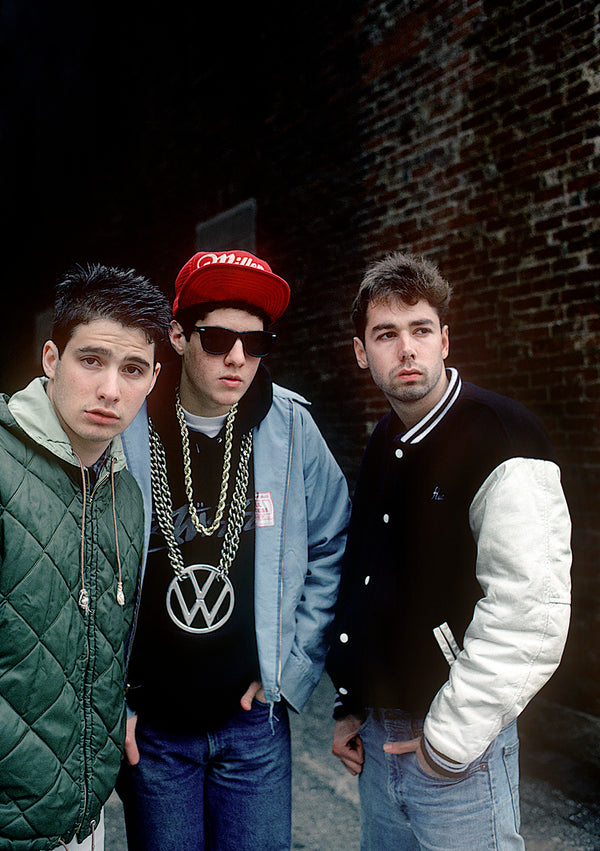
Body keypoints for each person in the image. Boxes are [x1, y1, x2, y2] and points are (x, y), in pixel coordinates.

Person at [327, 252, 572, 850]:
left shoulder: (502, 435)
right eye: (386, 334)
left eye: (420, 330)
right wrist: (352, 701)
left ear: (444, 339)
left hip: (460, 750)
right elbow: (367, 578)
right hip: (380, 743)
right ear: (363, 352)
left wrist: (448, 745)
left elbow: (529, 614)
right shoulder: (387, 437)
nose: (406, 349)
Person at [118, 249, 350, 850]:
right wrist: (108, 706)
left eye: (256, 342)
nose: (238, 358)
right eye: (218, 338)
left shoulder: (291, 427)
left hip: (253, 728)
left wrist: (292, 670)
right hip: (155, 731)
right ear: (176, 335)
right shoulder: (124, 424)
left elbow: (332, 542)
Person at [0, 263, 170, 851]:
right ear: (51, 358)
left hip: (82, 819)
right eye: (90, 360)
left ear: (152, 379)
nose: (110, 390)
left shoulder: (124, 490)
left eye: (132, 369)